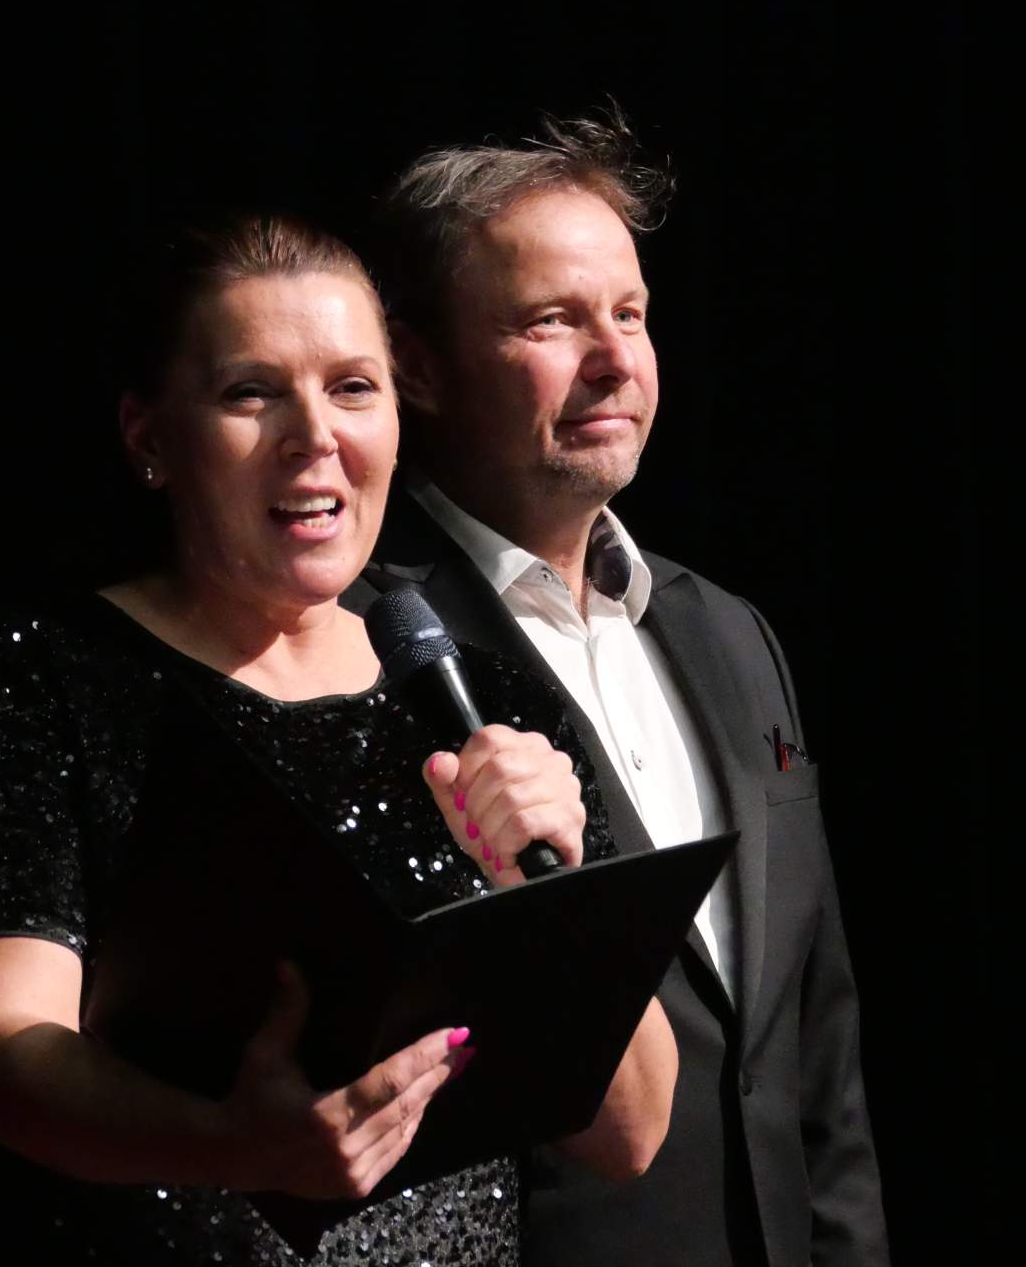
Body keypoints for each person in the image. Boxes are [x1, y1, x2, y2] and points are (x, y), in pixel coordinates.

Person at [0, 215, 677, 1265]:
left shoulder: (485, 698)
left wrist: (556, 884)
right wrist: (236, 1146)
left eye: (352, 387)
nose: (314, 435)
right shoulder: (38, 681)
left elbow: (631, 1132)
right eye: (251, 392)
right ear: (149, 438)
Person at [355, 111, 890, 1265]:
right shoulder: (360, 643)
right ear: (418, 365)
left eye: (631, 314)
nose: (615, 359)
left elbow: (814, 1049)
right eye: (552, 320)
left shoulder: (730, 632)